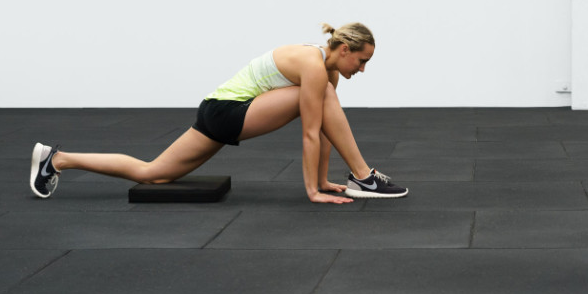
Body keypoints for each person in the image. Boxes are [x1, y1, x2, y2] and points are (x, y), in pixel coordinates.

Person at [29, 22, 407, 203]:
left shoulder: (325, 75)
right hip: (228, 111)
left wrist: (324, 180)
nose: (362, 69)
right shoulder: (313, 67)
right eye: (362, 60)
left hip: (215, 111)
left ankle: (57, 159)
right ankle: (364, 176)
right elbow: (310, 132)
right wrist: (312, 191)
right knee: (321, 97)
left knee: (152, 174)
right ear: (343, 49)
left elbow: (325, 132)